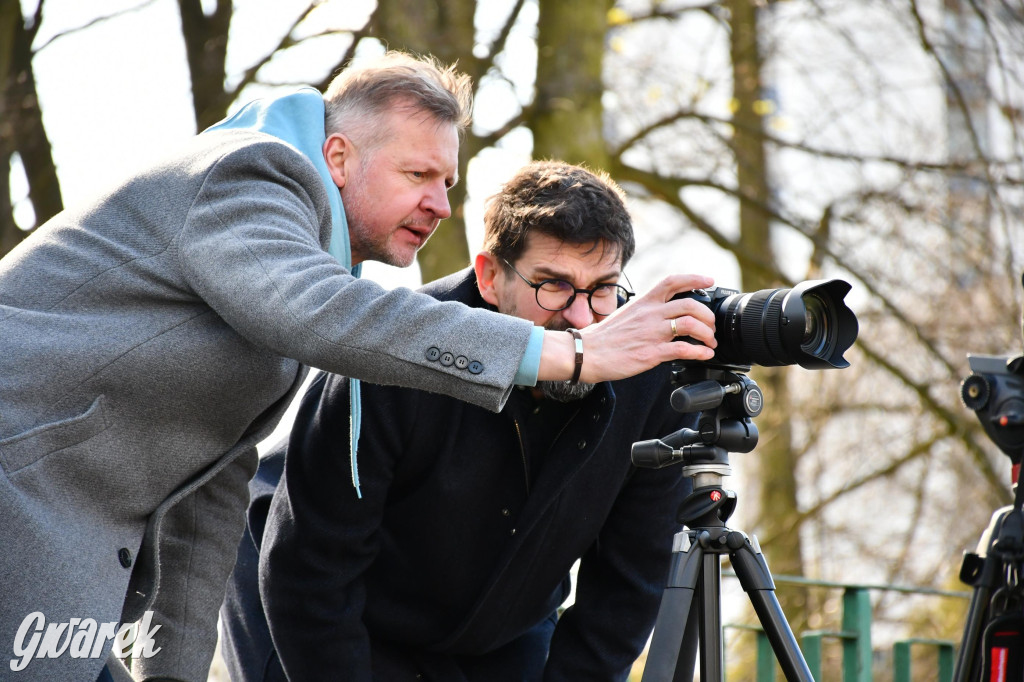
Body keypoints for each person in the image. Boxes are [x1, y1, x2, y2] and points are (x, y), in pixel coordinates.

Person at [0, 52, 716, 681]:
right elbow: (325, 314)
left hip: (68, 537)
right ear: (338, 158)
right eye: (418, 174)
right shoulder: (249, 176)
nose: (442, 204)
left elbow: (207, 491)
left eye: (447, 180)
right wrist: (573, 355)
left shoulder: (276, 285)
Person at [220, 160, 699, 682]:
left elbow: (629, 587)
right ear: (490, 277)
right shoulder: (396, 350)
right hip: (311, 601)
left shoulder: (654, 382)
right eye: (553, 285)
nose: (582, 319)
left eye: (602, 288)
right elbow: (313, 573)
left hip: (501, 629)